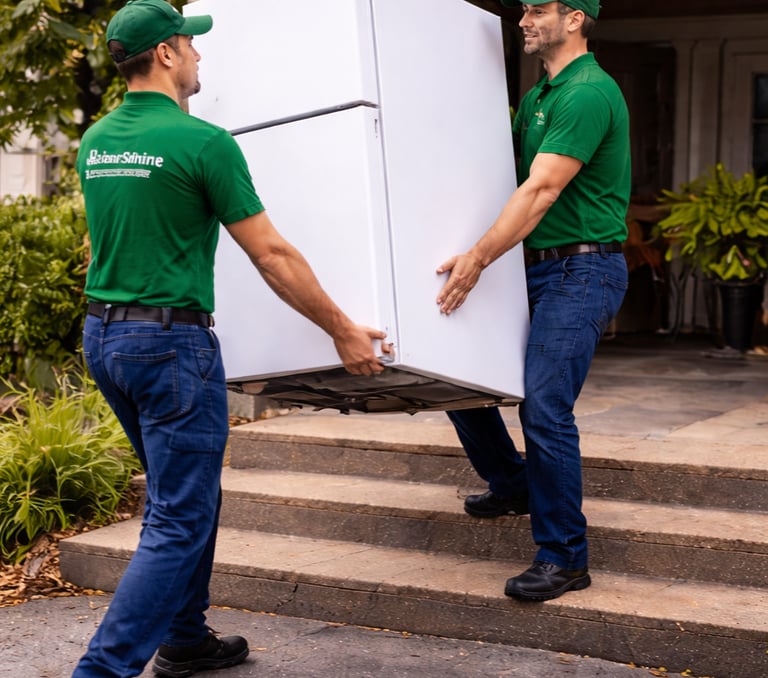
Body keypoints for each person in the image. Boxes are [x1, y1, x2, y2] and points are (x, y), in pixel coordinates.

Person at [73, 1, 389, 676]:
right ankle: (100, 671)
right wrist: (342, 331)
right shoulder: (203, 142)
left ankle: (185, 638)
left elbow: (112, 240)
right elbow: (271, 254)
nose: (199, 54)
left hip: (105, 338)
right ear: (165, 54)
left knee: (184, 496)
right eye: (189, 44)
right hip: (169, 349)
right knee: (179, 516)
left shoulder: (97, 142)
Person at [437, 0, 630, 602]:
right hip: (533, 268)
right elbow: (502, 176)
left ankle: (565, 557)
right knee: (455, 379)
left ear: (574, 19)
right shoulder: (540, 96)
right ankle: (514, 484)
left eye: (538, 9)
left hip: (582, 270)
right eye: (522, 9)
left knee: (545, 406)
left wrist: (478, 257)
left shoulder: (586, 93)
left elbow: (541, 190)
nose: (523, 19)